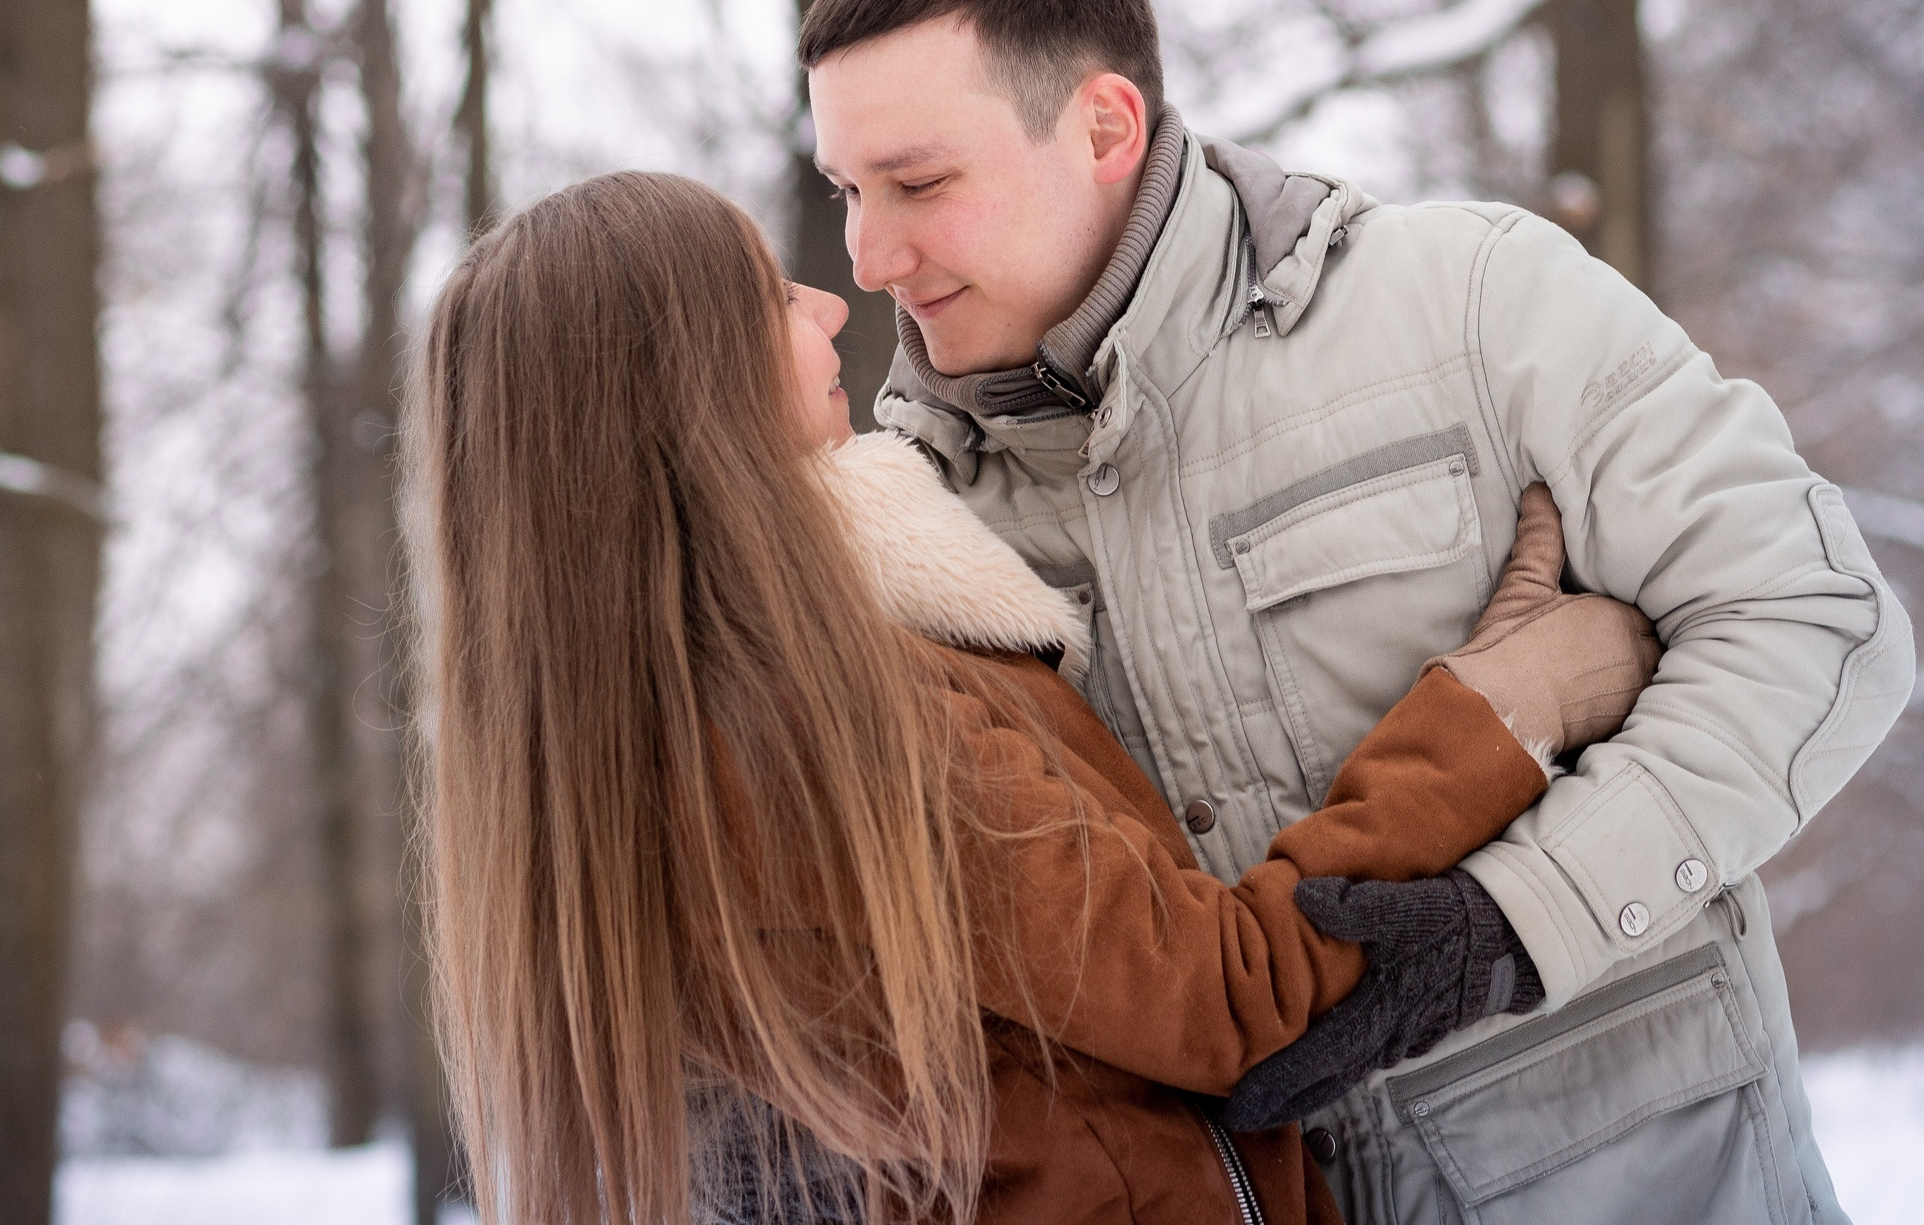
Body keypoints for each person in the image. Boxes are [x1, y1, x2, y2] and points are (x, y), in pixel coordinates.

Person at [802, 0, 1916, 1224]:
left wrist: (1516, 920)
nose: (868, 255)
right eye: (846, 192)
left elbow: (1818, 619)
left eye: (918, 183)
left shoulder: (1470, 301)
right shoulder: (914, 531)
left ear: (1103, 125)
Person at [406, 170, 1663, 1225]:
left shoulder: (622, 751)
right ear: (681, 394)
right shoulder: (821, 727)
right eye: (758, 295)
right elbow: (1224, 996)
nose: (825, 302)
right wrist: (1499, 708)